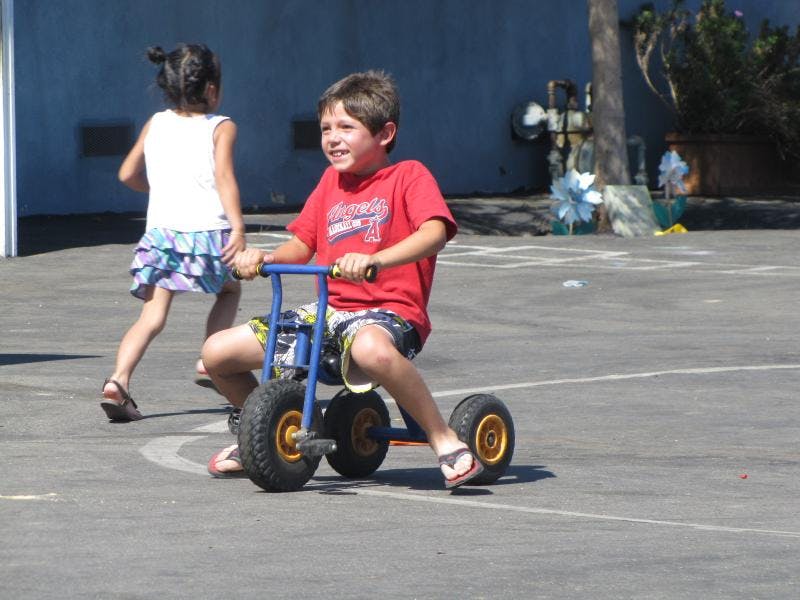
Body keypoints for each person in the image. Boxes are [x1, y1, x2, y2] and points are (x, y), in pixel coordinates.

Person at [203, 70, 483, 488]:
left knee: (371, 348)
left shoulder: (408, 176)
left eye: (346, 128)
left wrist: (376, 259)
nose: (332, 138)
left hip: (389, 314)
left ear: (384, 133)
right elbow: (302, 244)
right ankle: (262, 430)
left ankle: (443, 437)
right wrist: (264, 259)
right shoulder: (331, 182)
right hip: (330, 313)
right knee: (217, 352)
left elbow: (434, 233)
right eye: (325, 129)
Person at [101, 43, 246, 421]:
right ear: (211, 89)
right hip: (206, 235)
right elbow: (224, 178)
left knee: (152, 316)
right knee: (229, 290)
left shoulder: (156, 123)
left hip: (163, 235)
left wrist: (162, 189)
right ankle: (207, 360)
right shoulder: (221, 126)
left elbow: (127, 175)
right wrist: (238, 225)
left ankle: (117, 382)